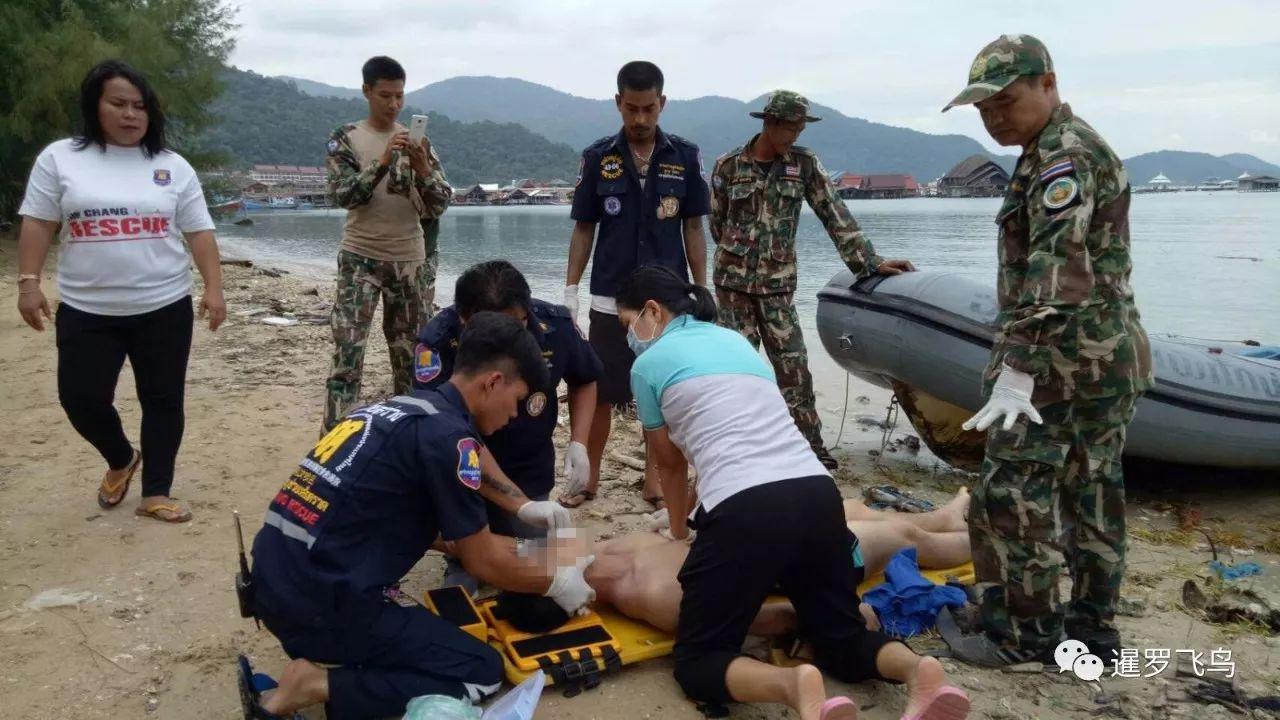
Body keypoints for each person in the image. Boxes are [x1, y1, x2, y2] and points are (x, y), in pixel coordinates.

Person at [615, 266, 970, 720]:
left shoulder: (648, 364)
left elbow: (669, 462)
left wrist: (681, 532)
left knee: (700, 659)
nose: (631, 337)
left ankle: (794, 684)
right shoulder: (734, 341)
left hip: (748, 509)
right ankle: (921, 673)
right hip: (817, 494)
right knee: (842, 637)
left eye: (628, 325)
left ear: (651, 311)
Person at [246, 313, 596, 720]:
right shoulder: (448, 439)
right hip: (318, 605)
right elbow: (481, 559)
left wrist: (521, 505)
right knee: (480, 671)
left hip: (274, 581)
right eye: (517, 401)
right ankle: (317, 685)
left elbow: (467, 465)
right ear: (494, 382)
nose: (515, 415)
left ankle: (333, 653)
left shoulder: (398, 411)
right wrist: (559, 580)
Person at [939, 34, 1153, 667]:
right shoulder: (1054, 151)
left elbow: (1058, 270)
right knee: (1093, 491)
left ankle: (1021, 635)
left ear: (1048, 84)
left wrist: (1017, 371)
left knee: (1011, 490)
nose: (995, 117)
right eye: (984, 109)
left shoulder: (1064, 156)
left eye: (1006, 100)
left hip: (1061, 361)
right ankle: (1092, 631)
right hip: (1102, 357)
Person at [15, 59, 226, 523]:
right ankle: (120, 457)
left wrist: (214, 287)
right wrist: (28, 283)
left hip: (164, 304)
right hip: (87, 307)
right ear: (95, 106)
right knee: (81, 398)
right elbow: (39, 221)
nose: (131, 114)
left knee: (163, 399)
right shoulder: (60, 158)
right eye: (119, 104)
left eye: (140, 106)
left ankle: (156, 491)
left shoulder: (172, 166)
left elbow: (199, 232)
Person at [709, 90, 917, 471]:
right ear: (768, 123)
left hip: (777, 287)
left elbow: (833, 213)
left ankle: (810, 449)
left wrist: (870, 263)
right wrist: (738, 259)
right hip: (732, 287)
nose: (794, 136)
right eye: (789, 128)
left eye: (800, 128)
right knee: (733, 370)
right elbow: (717, 224)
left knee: (794, 369)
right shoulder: (727, 166)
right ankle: (731, 448)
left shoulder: (803, 165)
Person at [561, 60, 710, 508]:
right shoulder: (598, 157)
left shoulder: (684, 156)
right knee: (599, 389)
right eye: (631, 109)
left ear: (662, 103)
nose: (641, 119)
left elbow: (694, 228)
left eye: (649, 109)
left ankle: (656, 482)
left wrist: (703, 290)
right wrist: (570, 290)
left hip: (667, 300)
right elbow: (584, 228)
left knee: (664, 391)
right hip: (610, 295)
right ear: (618, 103)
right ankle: (587, 480)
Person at [413, 260, 601, 590]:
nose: (509, 338)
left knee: (547, 561)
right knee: (468, 566)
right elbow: (443, 430)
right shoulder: (438, 342)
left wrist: (580, 442)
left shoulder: (553, 325)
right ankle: (463, 557)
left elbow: (585, 378)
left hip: (528, 462)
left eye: (517, 323)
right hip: (464, 465)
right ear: (464, 319)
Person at [322, 55, 453, 433]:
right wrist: (382, 162)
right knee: (347, 355)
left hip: (410, 261)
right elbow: (343, 196)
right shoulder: (345, 137)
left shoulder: (421, 143)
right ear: (366, 92)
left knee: (413, 360)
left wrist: (422, 167)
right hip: (360, 257)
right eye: (385, 96)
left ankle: (408, 438)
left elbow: (441, 203)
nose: (394, 105)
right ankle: (334, 440)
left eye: (399, 96)